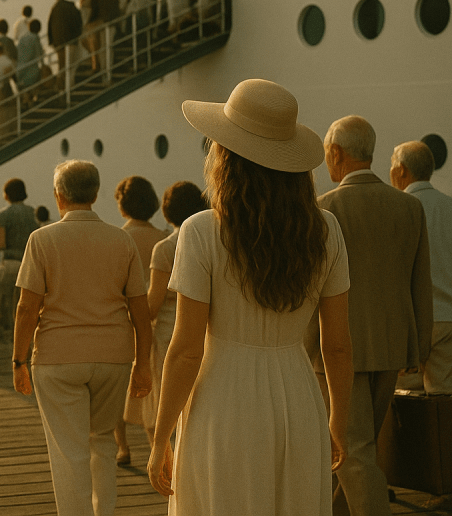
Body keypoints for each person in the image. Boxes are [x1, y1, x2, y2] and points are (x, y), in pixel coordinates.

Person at [148, 79, 354, 514]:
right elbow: (336, 344)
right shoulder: (325, 230)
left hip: (222, 402)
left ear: (226, 156)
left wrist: (161, 436)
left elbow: (185, 350)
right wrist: (338, 420)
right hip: (299, 401)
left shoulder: (202, 231)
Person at [13, 159, 152, 515]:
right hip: (114, 356)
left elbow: (27, 308)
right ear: (95, 193)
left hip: (58, 358)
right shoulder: (121, 240)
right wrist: (143, 365)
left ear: (59, 196)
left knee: (69, 450)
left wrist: (18, 360)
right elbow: (140, 312)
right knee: (103, 442)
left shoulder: (42, 239)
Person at [311, 115, 431, 516]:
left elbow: (313, 289)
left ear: (335, 153)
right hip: (394, 345)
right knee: (359, 448)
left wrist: (302, 347)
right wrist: (420, 344)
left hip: (336, 349)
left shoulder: (324, 209)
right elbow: (420, 281)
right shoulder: (409, 207)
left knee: (352, 451)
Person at [132, 182, 207, 452]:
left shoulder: (165, 248)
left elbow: (153, 305)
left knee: (165, 402)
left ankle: (164, 458)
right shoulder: (212, 239)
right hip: (206, 334)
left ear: (167, 213)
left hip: (168, 337)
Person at [113, 175, 167, 464]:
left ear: (123, 205)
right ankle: (157, 447)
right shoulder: (162, 238)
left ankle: (123, 448)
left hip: (124, 319)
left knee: (118, 386)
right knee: (153, 387)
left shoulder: (120, 238)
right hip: (156, 322)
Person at [391, 141, 452, 395]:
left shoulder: (396, 208)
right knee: (442, 396)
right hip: (448, 319)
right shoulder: (449, 206)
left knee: (403, 395)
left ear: (402, 170)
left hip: (412, 321)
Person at [0, 178, 38, 342]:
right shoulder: (32, 213)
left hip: (9, 263)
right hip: (27, 264)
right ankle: (20, 334)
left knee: (2, 300)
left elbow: (0, 243)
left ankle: (0, 331)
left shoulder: (4, 214)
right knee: (21, 304)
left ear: (7, 194)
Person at [47, 0, 83, 86]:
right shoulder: (71, 6)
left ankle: (61, 86)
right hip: (71, 41)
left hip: (59, 43)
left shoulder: (54, 8)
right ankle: (69, 86)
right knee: (71, 65)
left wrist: (51, 42)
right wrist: (77, 35)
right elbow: (78, 22)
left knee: (62, 66)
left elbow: (50, 25)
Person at [16, 19, 44, 105]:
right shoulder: (35, 37)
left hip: (20, 67)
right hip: (31, 67)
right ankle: (31, 102)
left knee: (24, 87)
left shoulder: (22, 37)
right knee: (35, 84)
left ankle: (26, 102)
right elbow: (39, 52)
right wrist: (43, 64)